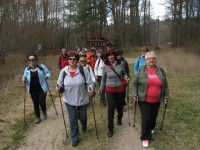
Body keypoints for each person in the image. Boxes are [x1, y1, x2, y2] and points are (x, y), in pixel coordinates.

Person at [56, 51, 94, 147]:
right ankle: (75, 138)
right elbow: (59, 83)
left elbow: (90, 82)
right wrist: (58, 88)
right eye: (70, 59)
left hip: (82, 98)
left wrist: (91, 89)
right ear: (68, 60)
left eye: (74, 59)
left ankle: (84, 125)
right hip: (69, 99)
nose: (72, 61)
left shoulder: (83, 70)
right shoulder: (64, 71)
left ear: (77, 60)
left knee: (82, 117)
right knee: (73, 119)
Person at [132, 51, 170, 148]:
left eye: (153, 58)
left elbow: (165, 86)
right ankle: (145, 137)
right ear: (145, 61)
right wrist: (134, 94)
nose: (151, 60)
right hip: (143, 99)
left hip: (156, 100)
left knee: (153, 117)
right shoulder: (141, 70)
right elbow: (134, 84)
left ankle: (152, 127)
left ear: (155, 60)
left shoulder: (161, 71)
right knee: (146, 118)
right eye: (149, 59)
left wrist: (166, 96)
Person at [99, 50, 129, 137]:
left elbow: (124, 74)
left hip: (120, 89)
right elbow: (103, 79)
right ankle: (110, 128)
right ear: (107, 57)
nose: (110, 57)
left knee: (119, 106)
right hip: (109, 89)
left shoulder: (121, 64)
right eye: (109, 56)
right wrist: (101, 89)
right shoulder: (105, 66)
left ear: (115, 56)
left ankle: (119, 118)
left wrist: (126, 78)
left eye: (112, 55)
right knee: (110, 108)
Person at [22, 54, 51, 124]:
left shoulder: (41, 67)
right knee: (35, 103)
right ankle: (38, 117)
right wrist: (24, 79)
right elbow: (24, 78)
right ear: (28, 61)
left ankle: (44, 111)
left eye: (33, 59)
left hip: (42, 88)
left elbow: (48, 73)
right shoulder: (27, 69)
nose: (32, 61)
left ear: (36, 60)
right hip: (32, 89)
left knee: (42, 102)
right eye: (30, 60)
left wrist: (47, 76)